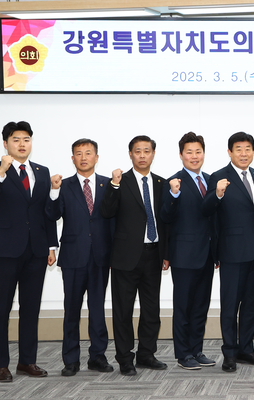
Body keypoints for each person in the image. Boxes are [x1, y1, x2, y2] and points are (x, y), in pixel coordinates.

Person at [0, 121, 58, 382]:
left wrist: (51, 245)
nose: (22, 144)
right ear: (6, 144)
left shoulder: (42, 172)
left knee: (30, 309)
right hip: (6, 250)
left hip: (37, 250)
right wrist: (2, 172)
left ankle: (27, 361)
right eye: (16, 139)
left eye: (26, 139)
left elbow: (47, 212)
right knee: (1, 309)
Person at [101, 135, 169, 376]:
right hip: (126, 257)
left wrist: (166, 253)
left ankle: (146, 354)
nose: (142, 155)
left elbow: (165, 221)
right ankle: (125, 358)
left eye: (146, 151)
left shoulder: (161, 183)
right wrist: (114, 185)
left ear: (153, 154)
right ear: (130, 154)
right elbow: (107, 211)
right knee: (123, 311)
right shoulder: (120, 181)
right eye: (137, 151)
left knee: (151, 310)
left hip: (154, 254)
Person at [46, 139, 115, 376]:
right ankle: (71, 360)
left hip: (100, 257)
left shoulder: (109, 185)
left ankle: (98, 356)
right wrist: (54, 191)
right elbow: (52, 215)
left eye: (88, 153)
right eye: (78, 153)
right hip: (73, 256)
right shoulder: (63, 185)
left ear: (97, 157)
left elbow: (114, 220)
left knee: (97, 309)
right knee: (71, 310)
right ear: (72, 158)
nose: (83, 157)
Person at [203, 132, 254, 373]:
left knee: (251, 303)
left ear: (253, 151)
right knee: (230, 304)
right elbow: (207, 210)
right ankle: (229, 353)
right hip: (231, 251)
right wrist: (218, 193)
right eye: (238, 149)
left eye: (248, 148)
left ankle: (246, 349)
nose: (243, 153)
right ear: (229, 152)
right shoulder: (219, 176)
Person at [159, 132, 216, 371]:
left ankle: (196, 350)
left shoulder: (212, 180)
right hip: (184, 254)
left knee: (201, 306)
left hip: (208, 254)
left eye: (198, 152)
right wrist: (174, 194)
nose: (194, 156)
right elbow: (165, 216)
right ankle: (183, 354)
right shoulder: (173, 182)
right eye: (189, 152)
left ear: (203, 153)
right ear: (181, 155)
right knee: (183, 307)